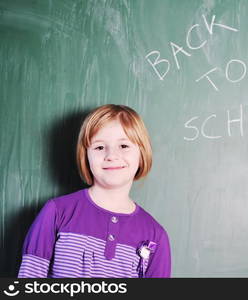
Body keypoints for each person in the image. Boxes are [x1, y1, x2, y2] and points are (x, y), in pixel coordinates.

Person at [18, 104, 171, 278]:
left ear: (142, 153)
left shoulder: (155, 235)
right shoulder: (57, 212)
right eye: (99, 147)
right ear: (86, 156)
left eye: (124, 146)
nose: (111, 155)